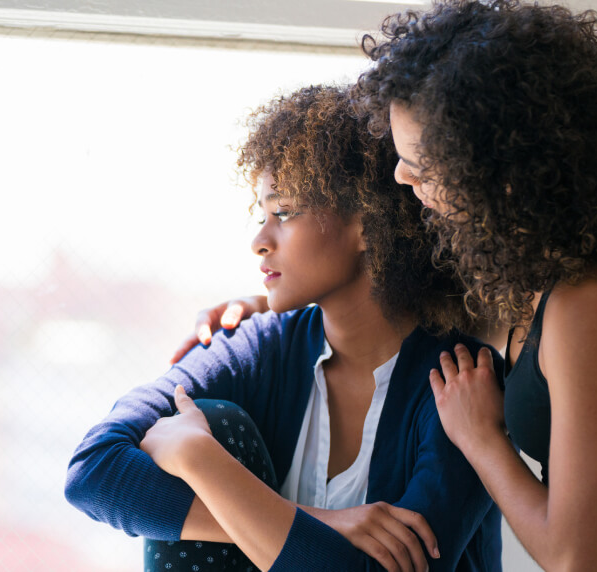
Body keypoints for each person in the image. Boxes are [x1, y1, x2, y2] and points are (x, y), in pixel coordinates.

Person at [348, 1, 597, 570]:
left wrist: (482, 439)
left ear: (502, 173)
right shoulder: (529, 275)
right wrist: (265, 315)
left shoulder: (592, 299)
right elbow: (389, 320)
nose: (402, 177)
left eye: (422, 165)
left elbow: (578, 560)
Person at [65, 84, 503, 572]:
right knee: (215, 419)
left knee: (203, 434)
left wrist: (200, 459)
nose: (259, 241)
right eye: (262, 216)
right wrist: (323, 521)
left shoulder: (464, 382)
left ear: (367, 224)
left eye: (285, 212)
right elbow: (93, 469)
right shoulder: (258, 346)